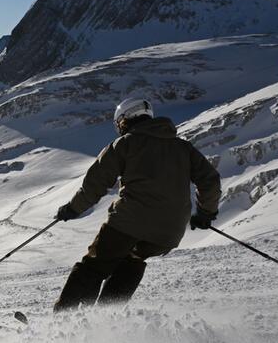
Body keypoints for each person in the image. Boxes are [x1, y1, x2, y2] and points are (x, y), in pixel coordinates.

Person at [52, 98, 221, 312]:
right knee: (131, 261)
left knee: (95, 265)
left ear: (124, 120)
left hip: (129, 222)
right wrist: (206, 212)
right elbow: (210, 180)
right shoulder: (183, 147)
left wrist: (73, 208)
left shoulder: (126, 143)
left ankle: (63, 321)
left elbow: (96, 183)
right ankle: (105, 321)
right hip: (169, 233)